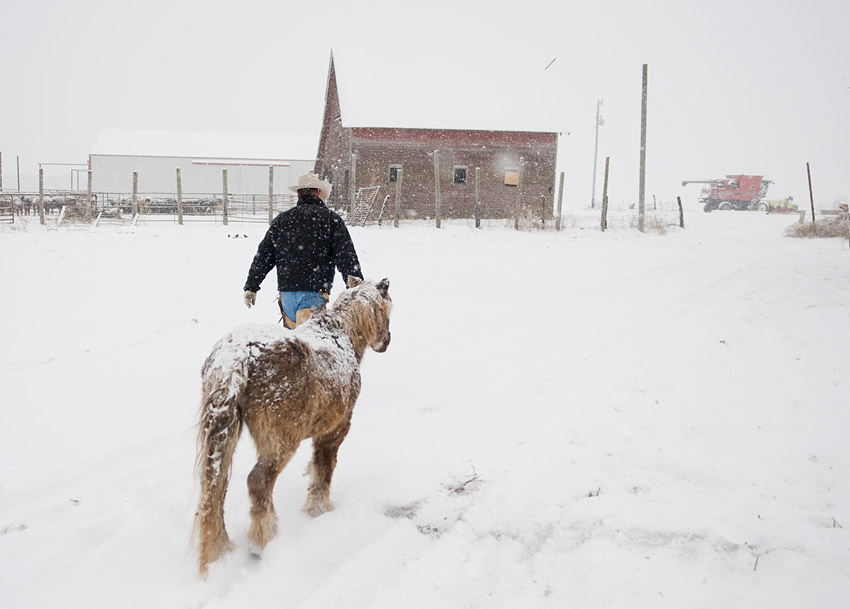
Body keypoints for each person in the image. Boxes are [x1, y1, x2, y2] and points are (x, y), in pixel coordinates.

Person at [243, 173, 363, 329]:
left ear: (298, 194)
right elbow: (346, 258)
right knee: (311, 349)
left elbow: (264, 256)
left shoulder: (282, 220)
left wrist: (251, 286)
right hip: (313, 296)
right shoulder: (330, 220)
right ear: (318, 193)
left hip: (286, 296)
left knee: (292, 349)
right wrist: (357, 290)